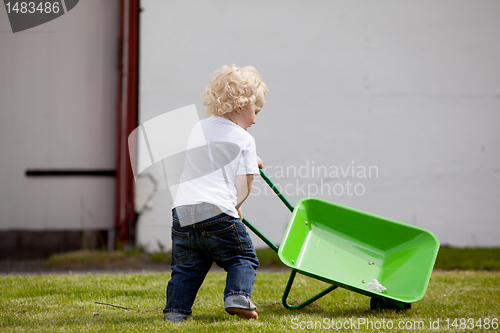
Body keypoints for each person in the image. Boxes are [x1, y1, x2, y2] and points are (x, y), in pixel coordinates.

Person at [163, 65, 268, 323]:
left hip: (183, 211)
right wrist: (236, 204)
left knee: (186, 267)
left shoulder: (198, 129)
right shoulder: (244, 139)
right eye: (256, 111)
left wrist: (249, 160)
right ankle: (237, 296)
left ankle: (175, 312)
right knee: (242, 256)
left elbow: (212, 158)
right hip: (219, 211)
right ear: (241, 106)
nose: (255, 119)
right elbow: (245, 183)